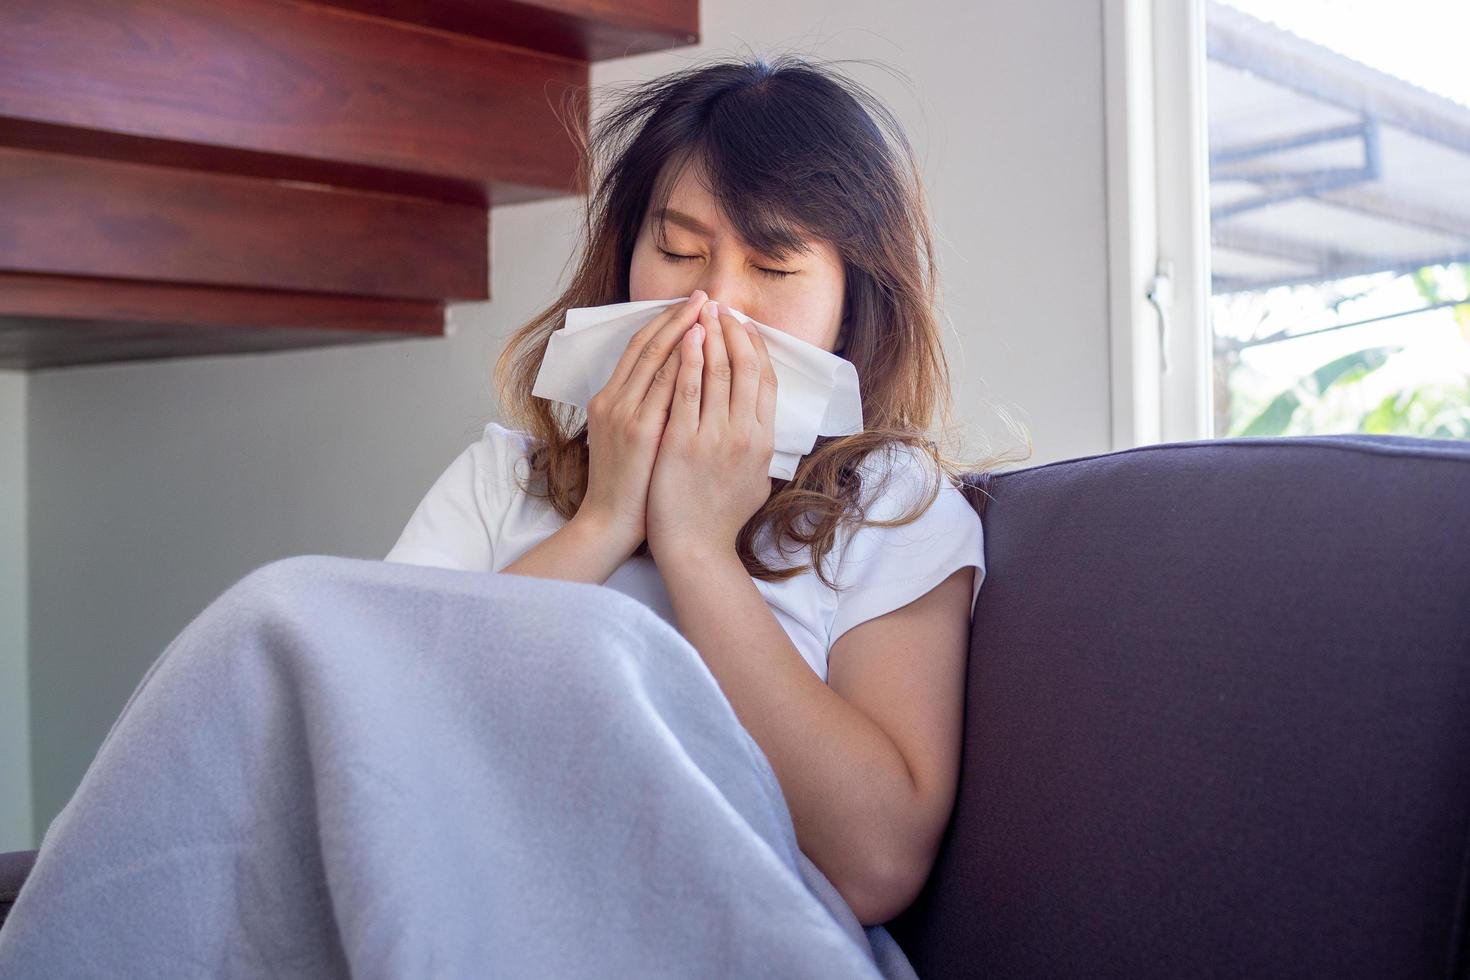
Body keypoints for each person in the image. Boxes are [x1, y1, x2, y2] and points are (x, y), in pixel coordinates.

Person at [385, 52, 1016, 929]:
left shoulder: (892, 506)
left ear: (851, 301)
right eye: (677, 250)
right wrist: (606, 520)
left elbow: (875, 861)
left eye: (773, 266)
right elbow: (371, 734)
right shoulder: (500, 479)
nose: (711, 307)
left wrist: (697, 552)